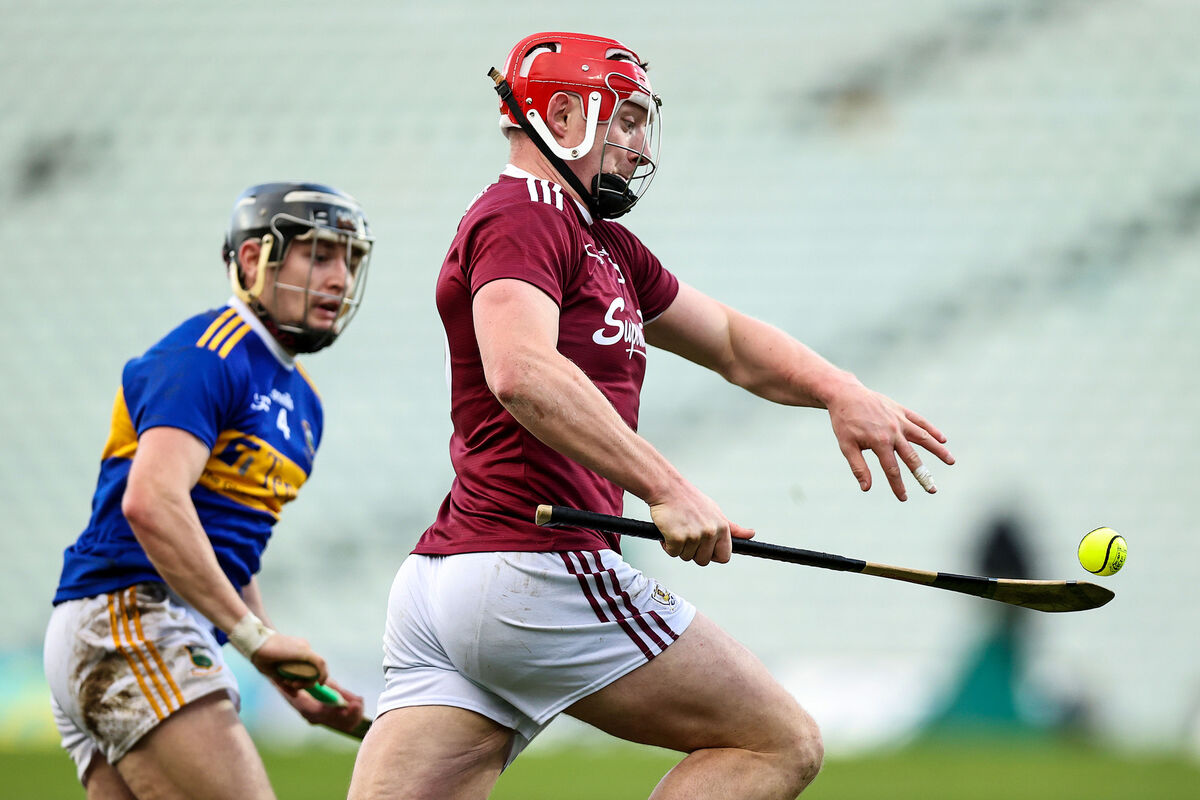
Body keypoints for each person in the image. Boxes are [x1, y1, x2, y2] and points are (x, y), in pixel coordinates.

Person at [347, 32, 954, 800]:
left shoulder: (606, 245)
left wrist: (841, 390)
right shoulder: (525, 214)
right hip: (535, 564)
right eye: (625, 121)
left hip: (452, 578)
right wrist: (667, 487)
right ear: (562, 115)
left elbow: (732, 342)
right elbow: (521, 372)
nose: (639, 147)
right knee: (776, 743)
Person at [45, 182, 374, 799]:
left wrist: (281, 676)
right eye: (321, 255)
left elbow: (227, 554)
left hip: (141, 627)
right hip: (130, 617)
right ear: (254, 260)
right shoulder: (206, 353)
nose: (341, 279)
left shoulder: (306, 404)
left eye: (351, 261)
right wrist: (254, 640)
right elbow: (152, 502)